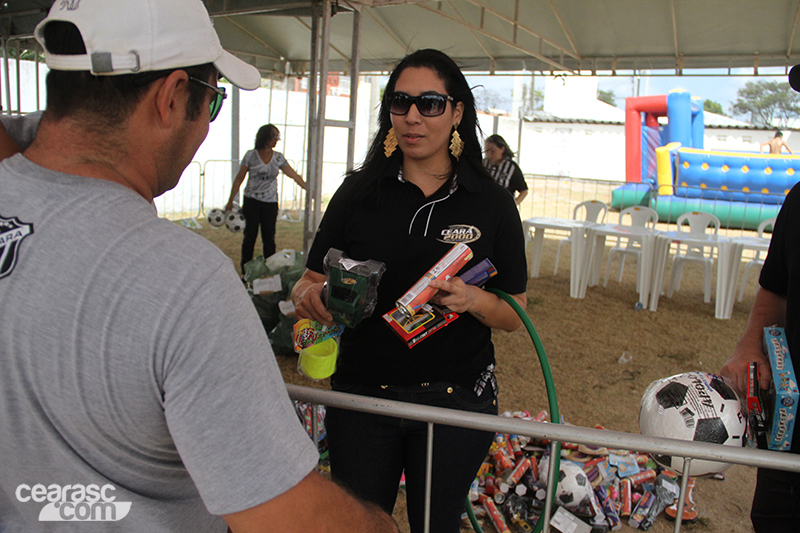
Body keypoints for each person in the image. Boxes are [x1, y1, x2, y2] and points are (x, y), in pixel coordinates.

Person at [0, 1, 397, 532]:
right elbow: (288, 518)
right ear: (169, 99)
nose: (208, 124)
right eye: (211, 103)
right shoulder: (182, 282)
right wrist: (380, 525)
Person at [291, 49, 528, 532]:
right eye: (400, 103)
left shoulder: (493, 204)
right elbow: (308, 281)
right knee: (359, 523)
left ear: (458, 112)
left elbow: (516, 311)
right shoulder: (358, 194)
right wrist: (312, 301)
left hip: (455, 399)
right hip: (362, 397)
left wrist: (473, 300)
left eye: (430, 103)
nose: (413, 116)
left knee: (434, 525)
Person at [226, 124, 306, 274]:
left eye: (277, 136)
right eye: (273, 136)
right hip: (252, 202)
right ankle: (246, 272)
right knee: (249, 237)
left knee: (269, 238)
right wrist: (230, 200)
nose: (276, 139)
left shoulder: (278, 158)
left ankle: (270, 272)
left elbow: (293, 174)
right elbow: (239, 178)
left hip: (270, 203)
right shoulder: (250, 155)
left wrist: (309, 188)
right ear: (264, 137)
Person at [483, 133, 529, 206]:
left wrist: (514, 204)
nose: (489, 154)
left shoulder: (511, 167)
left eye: (493, 151)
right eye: (486, 151)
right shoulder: (483, 164)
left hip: (501, 207)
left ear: (502, 149)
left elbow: (524, 191)